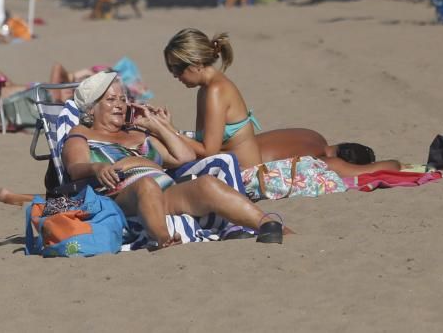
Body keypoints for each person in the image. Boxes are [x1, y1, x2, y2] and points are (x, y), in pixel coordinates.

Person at [163, 29, 402, 199]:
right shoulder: (205, 90)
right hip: (236, 168)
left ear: (194, 62)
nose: (173, 75)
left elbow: (210, 152)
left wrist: (168, 130)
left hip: (249, 178)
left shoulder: (215, 91)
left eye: (176, 68)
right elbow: (204, 145)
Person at [61, 72, 285, 248]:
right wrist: (97, 166)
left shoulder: (137, 133)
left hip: (164, 192)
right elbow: (74, 168)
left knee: (206, 184)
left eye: (123, 99)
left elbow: (184, 156)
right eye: (110, 100)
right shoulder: (81, 134)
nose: (120, 105)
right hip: (119, 196)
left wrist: (157, 125)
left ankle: (266, 223)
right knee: (146, 185)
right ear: (91, 109)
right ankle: (163, 237)